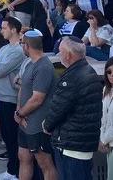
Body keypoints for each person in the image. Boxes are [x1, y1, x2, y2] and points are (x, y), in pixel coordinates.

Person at [42, 36, 103, 180]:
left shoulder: (73, 77)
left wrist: (47, 126)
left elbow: (58, 109)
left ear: (68, 55)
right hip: (81, 143)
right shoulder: (89, 71)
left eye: (60, 51)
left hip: (72, 146)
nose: (59, 55)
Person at [16, 29, 57, 180]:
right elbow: (23, 89)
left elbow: (37, 99)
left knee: (45, 163)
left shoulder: (44, 67)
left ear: (26, 46)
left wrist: (20, 114)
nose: (21, 46)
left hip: (38, 125)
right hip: (24, 122)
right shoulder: (29, 64)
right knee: (23, 157)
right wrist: (18, 113)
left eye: (22, 43)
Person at [0, 17, 25, 180]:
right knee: (6, 136)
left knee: (12, 137)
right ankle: (11, 170)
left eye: (4, 28)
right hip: (1, 97)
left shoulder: (18, 51)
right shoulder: (4, 49)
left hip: (12, 99)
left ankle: (15, 172)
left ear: (13, 30)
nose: (1, 31)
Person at [100, 57, 113, 180]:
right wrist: (103, 139)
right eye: (109, 72)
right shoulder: (105, 90)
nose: (112, 75)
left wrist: (103, 141)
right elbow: (103, 118)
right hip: (108, 143)